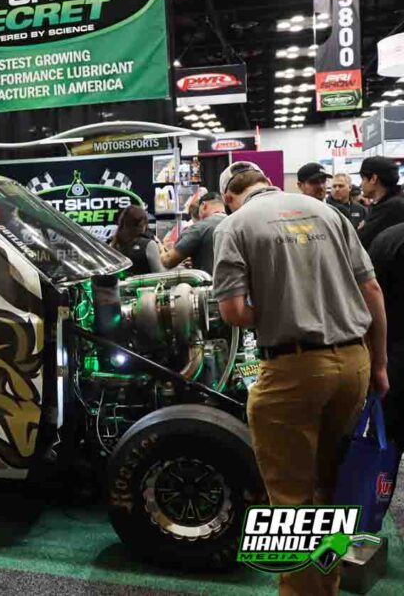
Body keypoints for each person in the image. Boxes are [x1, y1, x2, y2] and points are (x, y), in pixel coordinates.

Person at [212, 161, 388, 596]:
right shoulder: (327, 212)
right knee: (329, 489)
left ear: (231, 196)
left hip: (293, 371)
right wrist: (380, 364)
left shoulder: (234, 225)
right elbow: (372, 293)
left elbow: (233, 312)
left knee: (291, 502)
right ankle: (326, 585)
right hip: (354, 362)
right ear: (267, 182)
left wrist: (279, 309)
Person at [368, 222, 404, 508]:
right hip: (392, 357)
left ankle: (371, 518)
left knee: (384, 448)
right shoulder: (388, 240)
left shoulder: (387, 239)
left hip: (392, 359)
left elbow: (368, 300)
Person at [160, 192, 225, 273]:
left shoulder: (200, 227)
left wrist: (160, 248)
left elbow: (168, 260)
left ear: (204, 205)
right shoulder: (236, 222)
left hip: (211, 283)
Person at [359, 156, 404, 249]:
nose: (361, 184)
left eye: (363, 179)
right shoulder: (389, 203)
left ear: (373, 179)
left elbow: (361, 241)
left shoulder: (392, 207)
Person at [108, 205, 163, 275]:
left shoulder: (113, 245)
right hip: (148, 285)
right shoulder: (149, 245)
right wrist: (161, 248)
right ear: (142, 224)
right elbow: (160, 275)